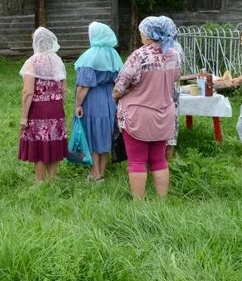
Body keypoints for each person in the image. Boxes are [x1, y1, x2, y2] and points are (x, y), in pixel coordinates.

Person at [114, 16, 181, 200]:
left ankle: (139, 204)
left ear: (150, 34)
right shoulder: (174, 55)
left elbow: (120, 86)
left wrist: (116, 95)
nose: (141, 35)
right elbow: (175, 79)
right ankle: (161, 202)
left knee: (136, 160)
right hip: (164, 115)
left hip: (138, 116)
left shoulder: (140, 55)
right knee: (159, 159)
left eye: (142, 32)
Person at [73, 22, 124, 182]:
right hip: (110, 98)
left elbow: (83, 86)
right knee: (105, 133)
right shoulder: (114, 55)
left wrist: (77, 104)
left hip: (93, 99)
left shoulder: (90, 55)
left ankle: (94, 174)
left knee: (93, 134)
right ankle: (101, 172)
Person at [19, 27, 68, 183]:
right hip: (56, 108)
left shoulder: (32, 62)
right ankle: (52, 181)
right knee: (53, 143)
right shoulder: (58, 61)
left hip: (38, 109)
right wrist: (60, 105)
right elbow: (64, 89)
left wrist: (24, 117)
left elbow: (27, 92)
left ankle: (40, 183)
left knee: (39, 145)